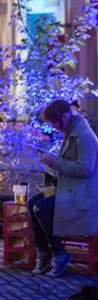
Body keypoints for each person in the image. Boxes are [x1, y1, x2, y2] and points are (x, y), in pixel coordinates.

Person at [29, 99, 98, 277]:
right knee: (32, 203)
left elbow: (85, 169)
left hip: (82, 195)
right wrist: (52, 166)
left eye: (54, 123)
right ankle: (43, 251)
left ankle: (59, 253)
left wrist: (56, 162)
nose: (54, 128)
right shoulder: (71, 132)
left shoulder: (84, 136)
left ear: (65, 117)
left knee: (42, 208)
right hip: (70, 189)